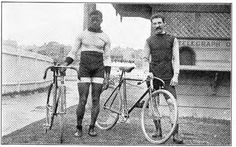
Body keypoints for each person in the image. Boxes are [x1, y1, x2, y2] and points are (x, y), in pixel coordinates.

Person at [61, 10, 111, 137]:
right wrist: (66, 64)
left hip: (98, 70)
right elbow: (73, 52)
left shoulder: (105, 37)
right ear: (89, 20)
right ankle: (79, 127)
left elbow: (107, 58)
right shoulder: (81, 35)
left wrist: (107, 77)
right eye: (92, 19)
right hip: (84, 69)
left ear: (101, 20)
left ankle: (92, 127)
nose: (95, 21)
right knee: (82, 100)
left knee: (95, 99)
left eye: (97, 19)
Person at [142, 13, 183, 144]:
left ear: (164, 23)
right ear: (152, 25)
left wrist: (176, 75)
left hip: (168, 77)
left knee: (172, 104)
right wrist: (146, 72)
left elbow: (176, 59)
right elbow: (144, 59)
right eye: (154, 23)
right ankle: (158, 130)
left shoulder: (172, 39)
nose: (157, 26)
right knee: (154, 105)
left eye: (159, 23)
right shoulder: (149, 41)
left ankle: (175, 134)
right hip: (153, 77)